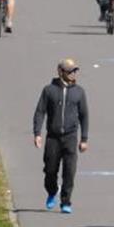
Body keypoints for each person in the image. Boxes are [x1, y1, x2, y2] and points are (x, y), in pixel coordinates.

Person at [32, 58, 89, 214]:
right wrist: (37, 133)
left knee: (69, 171)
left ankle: (66, 201)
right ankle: (52, 191)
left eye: (75, 71)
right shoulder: (49, 90)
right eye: (70, 71)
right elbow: (40, 111)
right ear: (60, 72)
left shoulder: (79, 92)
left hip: (70, 137)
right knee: (50, 170)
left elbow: (84, 115)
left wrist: (84, 139)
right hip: (53, 137)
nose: (73, 74)